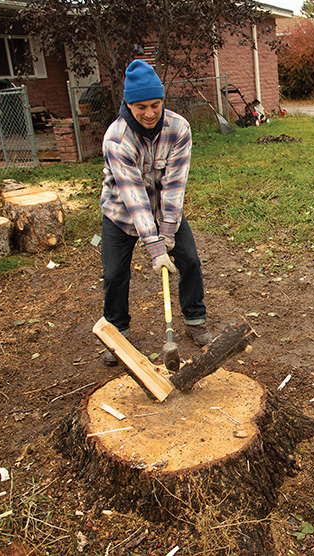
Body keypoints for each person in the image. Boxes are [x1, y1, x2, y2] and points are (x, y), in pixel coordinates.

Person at [99, 59, 213, 366]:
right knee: (114, 274)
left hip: (165, 209)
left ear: (163, 100)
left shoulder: (178, 128)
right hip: (122, 212)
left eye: (156, 104)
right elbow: (134, 197)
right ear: (128, 104)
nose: (149, 113)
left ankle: (194, 319)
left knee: (189, 259)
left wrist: (167, 233)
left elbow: (174, 186)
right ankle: (117, 332)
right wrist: (154, 248)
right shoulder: (117, 139)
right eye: (141, 107)